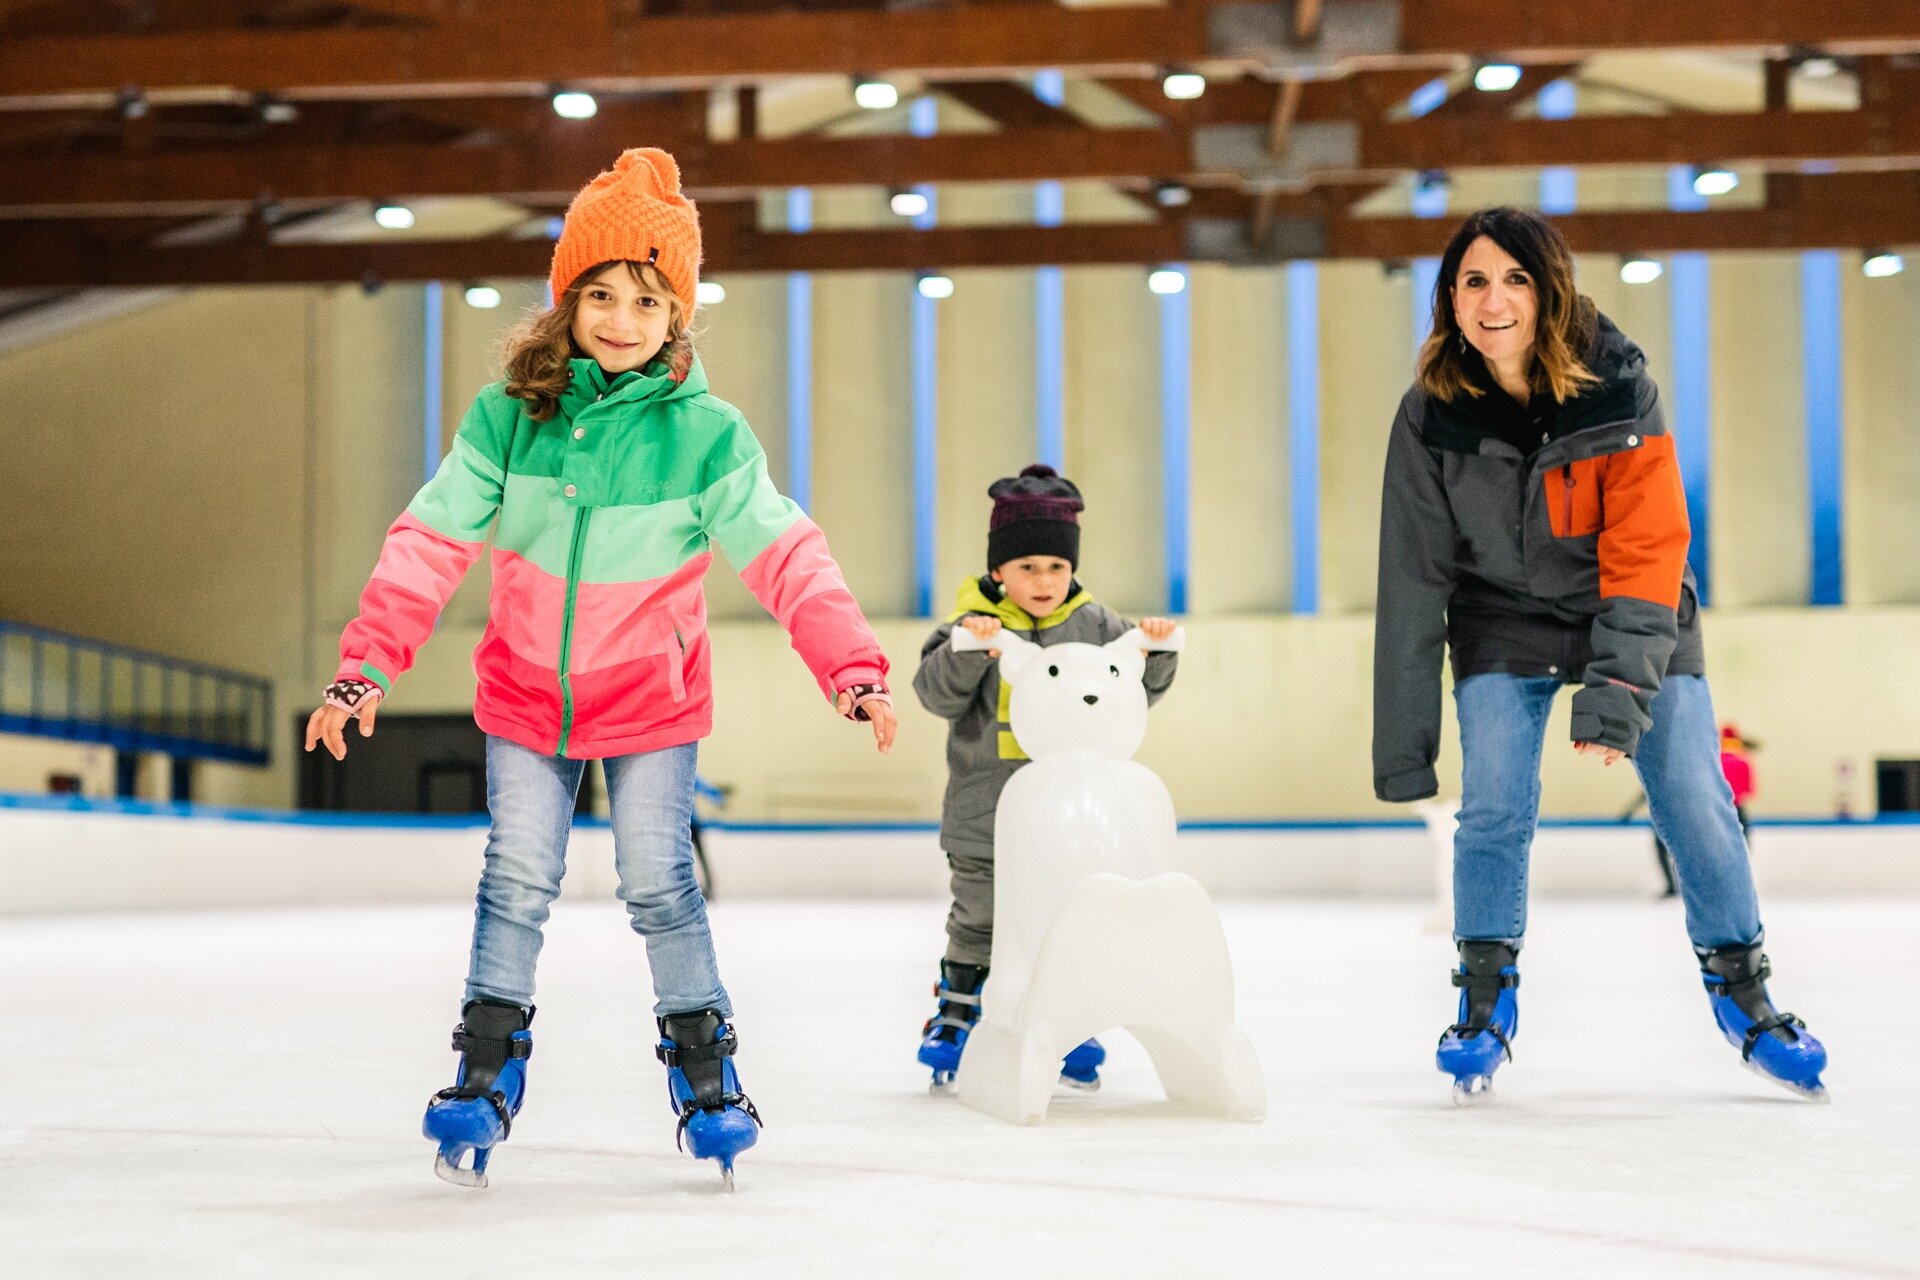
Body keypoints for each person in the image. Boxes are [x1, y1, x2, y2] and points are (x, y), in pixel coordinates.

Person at [305, 148, 897, 1187]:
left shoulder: (706, 435)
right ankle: (485, 1072)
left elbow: (784, 550)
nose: (622, 317)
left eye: (649, 298)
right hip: (526, 692)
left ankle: (707, 1072)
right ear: (567, 299)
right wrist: (365, 666)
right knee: (516, 878)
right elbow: (430, 541)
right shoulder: (509, 417)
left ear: (680, 316)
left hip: (653, 699)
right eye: (602, 293)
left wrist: (850, 664)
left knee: (660, 882)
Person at [1371, 206, 1827, 1103]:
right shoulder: (1430, 414)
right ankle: (1483, 1004)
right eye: (1473, 281)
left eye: (1516, 280)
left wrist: (1618, 689)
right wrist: (1404, 743)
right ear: (1450, 301)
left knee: (1697, 798)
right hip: (1503, 617)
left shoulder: (1619, 389)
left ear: (1550, 292)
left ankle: (1747, 993)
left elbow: (1649, 548)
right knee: (1495, 806)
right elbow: (1413, 575)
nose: (1494, 300)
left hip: (1638, 610)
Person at [911, 464, 1178, 1093]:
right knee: (979, 917)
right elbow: (936, 699)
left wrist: (1155, 651)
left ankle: (1069, 1023)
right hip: (985, 816)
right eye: (1026, 566)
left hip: (1068, 822)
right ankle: (958, 1012)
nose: (1043, 580)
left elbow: (1129, 697)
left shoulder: (1098, 628)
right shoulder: (970, 626)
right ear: (998, 570)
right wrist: (966, 653)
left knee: (1063, 919)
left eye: (1055, 567)